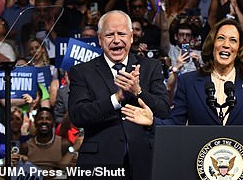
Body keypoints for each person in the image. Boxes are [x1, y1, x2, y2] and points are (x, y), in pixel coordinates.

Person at [68, 10, 170, 180]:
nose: (116, 40)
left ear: (131, 37)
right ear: (100, 39)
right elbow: (78, 115)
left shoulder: (150, 67)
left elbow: (164, 110)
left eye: (121, 34)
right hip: (99, 165)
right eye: (109, 35)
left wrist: (138, 91)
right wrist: (117, 98)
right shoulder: (82, 71)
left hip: (143, 163)